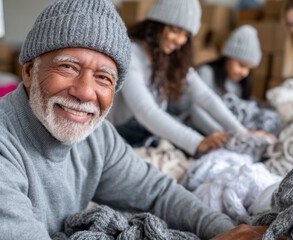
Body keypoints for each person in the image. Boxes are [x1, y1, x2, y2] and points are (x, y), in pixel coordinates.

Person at [0, 0, 266, 239]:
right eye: (67, 67)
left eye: (104, 78)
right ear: (28, 71)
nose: (84, 92)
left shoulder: (98, 138)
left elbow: (157, 193)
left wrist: (225, 230)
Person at [107, 0, 273, 156]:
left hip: (146, 129)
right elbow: (146, 111)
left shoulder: (171, 58)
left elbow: (206, 97)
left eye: (186, 34)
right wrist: (197, 142)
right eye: (174, 30)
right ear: (156, 25)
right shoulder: (131, 53)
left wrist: (240, 131)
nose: (179, 40)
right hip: (119, 132)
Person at [192, 24, 263, 135]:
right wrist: (227, 135)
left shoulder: (239, 85)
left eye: (250, 69)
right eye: (242, 65)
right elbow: (196, 112)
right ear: (228, 57)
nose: (245, 73)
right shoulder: (206, 73)